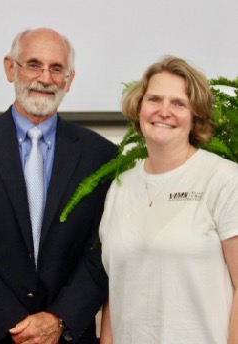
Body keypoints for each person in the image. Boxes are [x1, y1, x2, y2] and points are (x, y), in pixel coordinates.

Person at [0, 27, 117, 344]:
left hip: (67, 335)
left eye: (57, 68)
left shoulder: (100, 155)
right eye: (33, 64)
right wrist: (15, 325)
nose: (44, 78)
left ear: (69, 80)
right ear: (10, 68)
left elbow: (103, 250)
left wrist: (58, 319)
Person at [99, 56, 238, 343]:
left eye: (178, 103)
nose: (164, 111)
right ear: (139, 108)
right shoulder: (119, 189)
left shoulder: (223, 179)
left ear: (195, 116)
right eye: (154, 99)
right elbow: (115, 292)